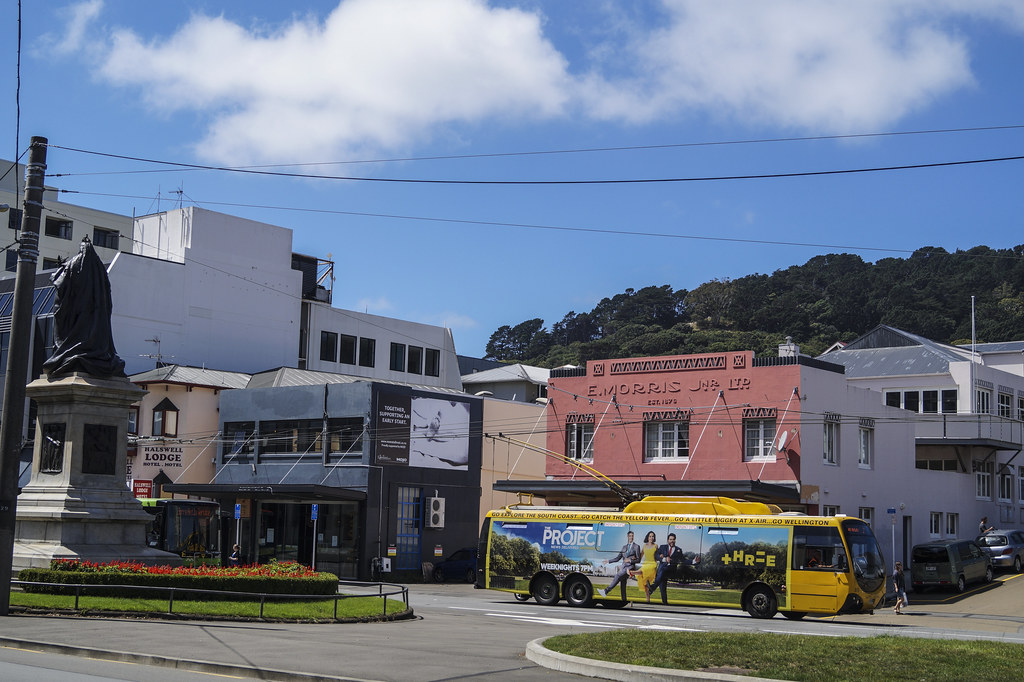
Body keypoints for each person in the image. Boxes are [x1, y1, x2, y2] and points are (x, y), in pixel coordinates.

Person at [598, 531, 641, 600]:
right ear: (627, 537)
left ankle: (605, 591)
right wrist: (608, 561)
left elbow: (638, 560)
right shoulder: (624, 547)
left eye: (632, 536)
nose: (631, 537)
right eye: (630, 536)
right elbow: (618, 558)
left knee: (618, 575)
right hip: (623, 567)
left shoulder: (636, 546)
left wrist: (630, 560)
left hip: (630, 568)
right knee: (623, 586)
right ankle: (624, 600)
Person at [647, 532, 683, 604]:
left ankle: (652, 587)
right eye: (670, 539)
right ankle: (665, 603)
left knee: (663, 571)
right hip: (661, 572)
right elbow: (656, 555)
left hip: (670, 571)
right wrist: (663, 558)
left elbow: (683, 560)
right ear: (668, 540)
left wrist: (694, 561)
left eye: (673, 539)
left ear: (675, 540)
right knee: (662, 588)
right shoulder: (663, 547)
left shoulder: (678, 550)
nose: (672, 541)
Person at [630, 531, 658, 602]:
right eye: (650, 536)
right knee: (645, 585)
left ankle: (633, 573)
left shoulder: (656, 546)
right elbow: (640, 556)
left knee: (642, 570)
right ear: (647, 537)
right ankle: (648, 600)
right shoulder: (644, 546)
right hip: (645, 564)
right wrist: (634, 558)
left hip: (652, 564)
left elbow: (657, 556)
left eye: (652, 536)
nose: (651, 538)